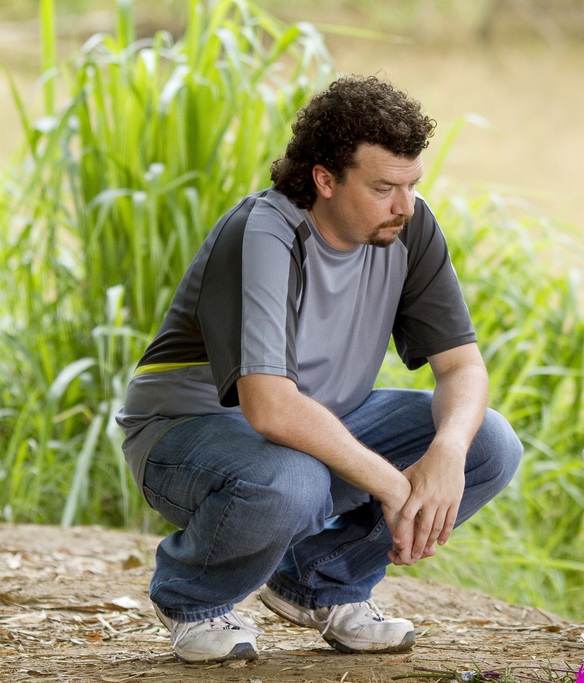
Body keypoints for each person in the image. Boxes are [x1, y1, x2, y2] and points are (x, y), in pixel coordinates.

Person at [116, 75, 522, 664]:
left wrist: (447, 455)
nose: (405, 205)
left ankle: (321, 583)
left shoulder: (410, 227)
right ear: (325, 180)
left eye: (412, 184)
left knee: (489, 443)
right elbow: (269, 407)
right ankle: (192, 599)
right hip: (185, 432)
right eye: (384, 187)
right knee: (294, 482)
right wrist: (396, 487)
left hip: (319, 421)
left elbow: (462, 367)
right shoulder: (264, 232)